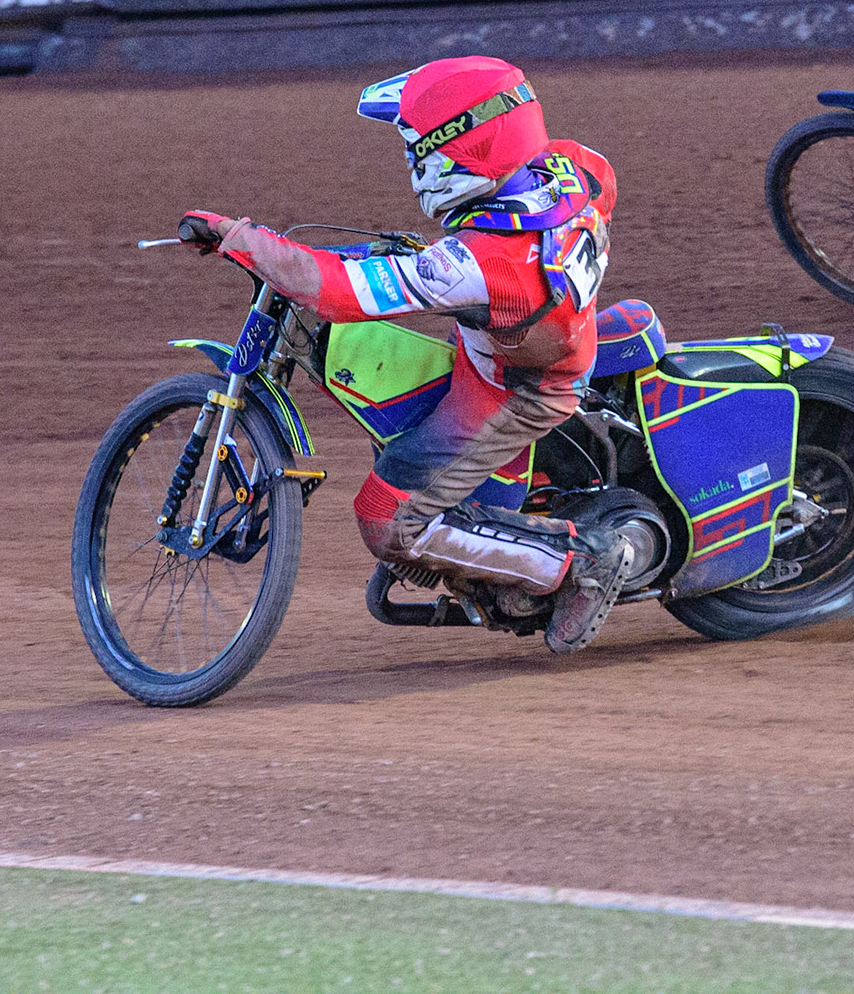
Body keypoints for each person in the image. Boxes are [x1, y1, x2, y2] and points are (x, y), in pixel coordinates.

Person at [189, 55, 631, 654]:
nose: (413, 161)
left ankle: (580, 562)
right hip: (522, 346)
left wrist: (240, 238)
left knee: (384, 517)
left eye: (420, 148)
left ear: (466, 148)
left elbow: (340, 294)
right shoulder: (569, 170)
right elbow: (598, 180)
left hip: (516, 393)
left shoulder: (483, 263)